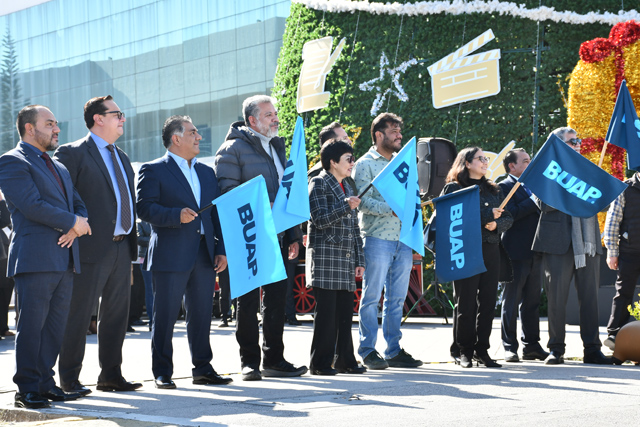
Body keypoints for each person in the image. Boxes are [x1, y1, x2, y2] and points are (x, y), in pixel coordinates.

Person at [0, 105, 91, 408]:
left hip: (65, 257)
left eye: (56, 123)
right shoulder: (12, 161)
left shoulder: (58, 166)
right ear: (30, 128)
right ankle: (26, 388)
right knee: (31, 326)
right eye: (50, 124)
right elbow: (31, 205)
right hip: (35, 258)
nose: (57, 129)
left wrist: (77, 226)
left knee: (54, 327)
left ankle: (45, 383)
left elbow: (78, 204)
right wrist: (72, 223)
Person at [214, 95, 307, 381]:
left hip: (278, 237)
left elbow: (286, 194)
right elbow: (227, 194)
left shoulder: (277, 147)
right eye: (269, 115)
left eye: (275, 113)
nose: (275, 118)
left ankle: (274, 360)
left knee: (277, 300)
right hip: (248, 237)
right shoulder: (232, 150)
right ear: (252, 120)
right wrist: (262, 206)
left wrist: (293, 234)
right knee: (248, 301)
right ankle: (249, 362)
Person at [55, 95, 141, 393]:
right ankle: (69, 379)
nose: (123, 118)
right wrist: (70, 226)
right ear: (98, 119)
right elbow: (61, 197)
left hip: (122, 247)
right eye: (117, 114)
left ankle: (110, 376)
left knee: (116, 317)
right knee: (78, 316)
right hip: (88, 247)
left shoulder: (122, 156)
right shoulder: (73, 153)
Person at [137, 115, 231, 389]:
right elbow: (144, 208)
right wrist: (175, 215)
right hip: (170, 253)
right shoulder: (153, 170)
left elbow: (216, 214)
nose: (199, 137)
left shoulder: (207, 172)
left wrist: (221, 249)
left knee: (201, 315)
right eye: (193, 132)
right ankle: (162, 372)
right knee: (165, 316)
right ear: (176, 139)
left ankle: (203, 369)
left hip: (204, 254)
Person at [532, 127, 612, 365]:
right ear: (558, 145)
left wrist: (597, 188)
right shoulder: (547, 170)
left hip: (588, 243)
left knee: (590, 298)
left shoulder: (588, 170)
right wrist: (570, 190)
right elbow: (543, 205)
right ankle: (556, 349)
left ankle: (592, 349)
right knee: (556, 299)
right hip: (557, 243)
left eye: (579, 141)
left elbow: (604, 204)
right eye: (572, 141)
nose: (578, 144)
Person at [352, 112, 422, 370]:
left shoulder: (401, 164)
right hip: (376, 238)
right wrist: (389, 208)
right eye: (393, 131)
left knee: (396, 299)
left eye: (399, 131)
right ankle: (368, 350)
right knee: (371, 297)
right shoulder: (364, 164)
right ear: (379, 134)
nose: (399, 136)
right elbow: (360, 202)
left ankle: (393, 350)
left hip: (402, 238)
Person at [442, 146, 513, 368]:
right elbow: (450, 218)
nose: (485, 162)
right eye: (480, 158)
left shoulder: (494, 189)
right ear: (467, 163)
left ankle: (482, 350)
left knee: (488, 302)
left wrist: (496, 224)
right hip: (464, 250)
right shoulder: (454, 188)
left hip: (491, 250)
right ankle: (463, 350)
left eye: (485, 158)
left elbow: (508, 218)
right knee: (466, 303)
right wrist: (486, 216)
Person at [307, 139, 366, 375]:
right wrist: (344, 206)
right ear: (333, 162)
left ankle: (345, 361)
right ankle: (320, 364)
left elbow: (354, 229)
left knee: (344, 316)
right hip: (326, 260)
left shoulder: (348, 187)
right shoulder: (318, 182)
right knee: (326, 317)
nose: (352, 163)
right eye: (348, 159)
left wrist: (360, 260)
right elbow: (319, 219)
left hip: (346, 260)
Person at [498, 148, 549, 363]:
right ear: (512, 166)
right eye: (526, 161)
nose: (530, 164)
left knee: (532, 302)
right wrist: (534, 200)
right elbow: (511, 214)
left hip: (537, 251)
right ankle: (510, 347)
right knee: (511, 301)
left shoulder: (535, 185)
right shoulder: (503, 186)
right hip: (515, 252)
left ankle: (532, 346)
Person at [602, 171, 640, 351]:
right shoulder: (624, 188)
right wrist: (612, 251)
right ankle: (615, 334)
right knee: (623, 292)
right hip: (629, 251)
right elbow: (612, 221)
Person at [0, 191, 14, 340]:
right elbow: (4, 219)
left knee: (5, 291)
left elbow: (6, 220)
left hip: (5, 254)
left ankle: (3, 327)